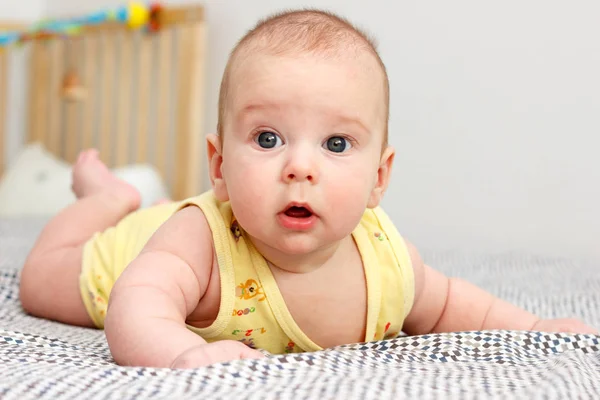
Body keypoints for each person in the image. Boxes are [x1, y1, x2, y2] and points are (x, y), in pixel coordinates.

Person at [19, 9, 598, 369]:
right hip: (128, 250)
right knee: (40, 284)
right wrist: (181, 355)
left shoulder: (389, 263)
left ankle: (127, 195)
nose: (299, 167)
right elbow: (135, 307)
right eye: (268, 138)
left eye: (337, 145)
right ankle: (109, 198)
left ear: (379, 178)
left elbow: (454, 305)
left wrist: (535, 328)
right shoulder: (200, 239)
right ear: (218, 165)